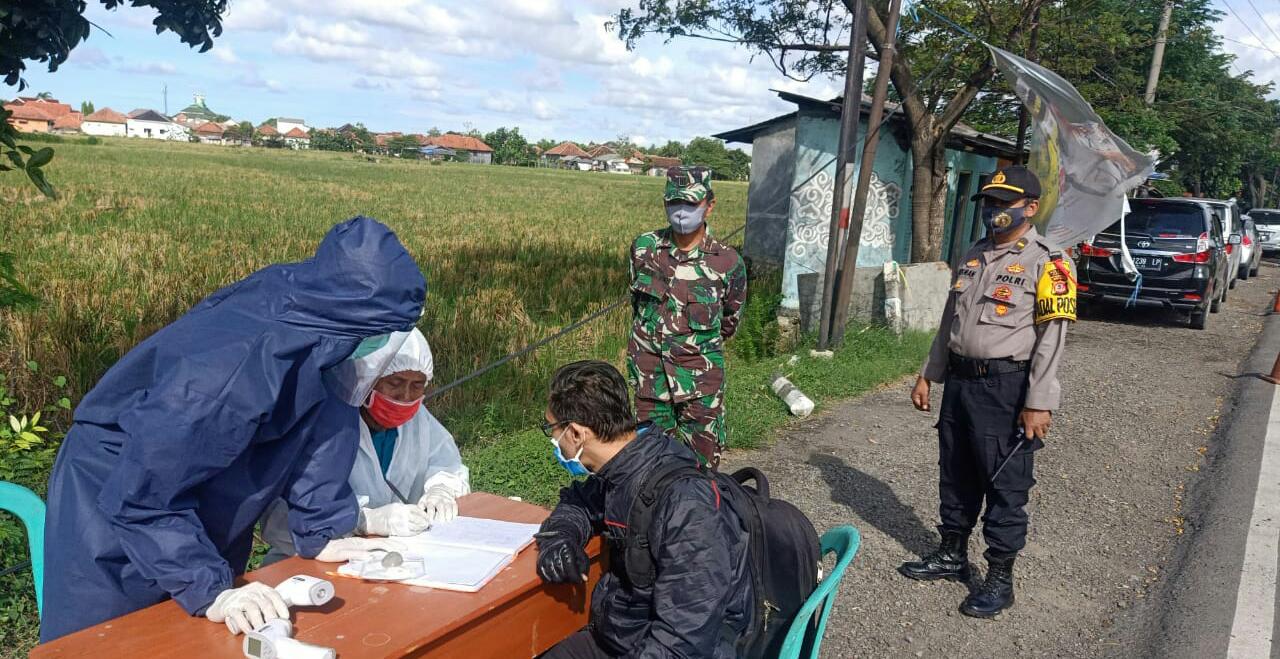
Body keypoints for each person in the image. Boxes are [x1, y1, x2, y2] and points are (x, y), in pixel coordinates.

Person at [39, 217, 425, 642]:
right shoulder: (223, 376)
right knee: (118, 636)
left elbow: (320, 424)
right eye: (379, 333)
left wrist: (324, 528)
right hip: (119, 490)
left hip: (209, 475)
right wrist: (210, 589)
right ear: (351, 317)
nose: (381, 345)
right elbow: (144, 496)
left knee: (208, 631)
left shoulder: (324, 326)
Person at [900, 166, 1075, 618]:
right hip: (960, 382)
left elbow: (1052, 337)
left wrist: (1038, 401)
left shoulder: (1051, 261)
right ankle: (951, 553)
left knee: (1004, 484)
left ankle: (999, 577)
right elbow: (948, 320)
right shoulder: (973, 255)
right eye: (990, 203)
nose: (995, 211)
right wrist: (929, 374)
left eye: (1005, 203)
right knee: (955, 472)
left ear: (1030, 208)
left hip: (1007, 388)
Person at [535, 360, 753, 658]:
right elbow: (579, 502)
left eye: (552, 429)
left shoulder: (686, 505)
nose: (552, 441)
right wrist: (561, 537)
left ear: (575, 433)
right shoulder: (623, 467)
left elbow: (686, 637)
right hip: (626, 631)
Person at [260, 328, 470, 563]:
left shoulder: (418, 419)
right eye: (395, 382)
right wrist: (363, 521)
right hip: (309, 562)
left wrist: (441, 490)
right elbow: (279, 515)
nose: (405, 396)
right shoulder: (326, 425)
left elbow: (445, 463)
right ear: (368, 380)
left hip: (394, 555)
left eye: (417, 385)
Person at [627, 166, 747, 470]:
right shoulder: (645, 249)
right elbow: (638, 307)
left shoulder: (728, 262)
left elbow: (729, 320)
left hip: (700, 384)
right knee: (648, 466)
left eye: (691, 204)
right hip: (649, 380)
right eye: (674, 203)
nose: (681, 212)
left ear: (709, 204)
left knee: (703, 472)